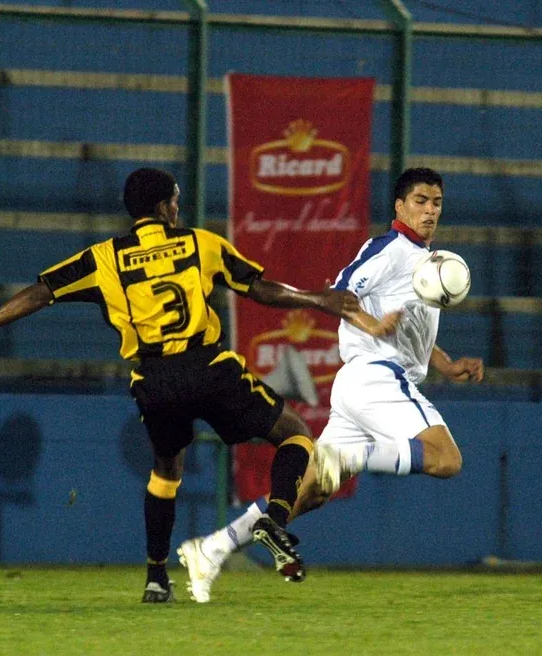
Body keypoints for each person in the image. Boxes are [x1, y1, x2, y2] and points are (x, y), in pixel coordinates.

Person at [0, 167, 377, 602]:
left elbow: (40, 293)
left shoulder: (103, 258)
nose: (178, 209)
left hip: (155, 380)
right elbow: (258, 288)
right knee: (295, 433)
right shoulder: (200, 243)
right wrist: (317, 299)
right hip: (207, 365)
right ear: (162, 207)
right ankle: (274, 519)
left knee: (166, 471)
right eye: (175, 202)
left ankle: (157, 578)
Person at [177, 166, 484, 603]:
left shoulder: (425, 261)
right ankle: (350, 456)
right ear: (400, 206)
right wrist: (371, 325)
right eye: (420, 201)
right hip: (377, 377)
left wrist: (447, 365)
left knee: (309, 491)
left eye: (436, 202)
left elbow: (412, 330)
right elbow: (339, 292)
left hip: (361, 385)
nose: (430, 210)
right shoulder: (389, 250)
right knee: (445, 458)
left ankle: (212, 548)